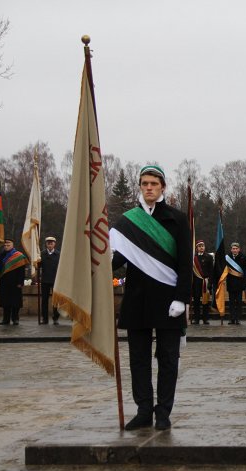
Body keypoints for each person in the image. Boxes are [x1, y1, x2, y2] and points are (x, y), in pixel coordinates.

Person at [109, 165, 191, 431]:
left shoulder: (177, 219)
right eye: (144, 184)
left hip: (168, 300)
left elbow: (184, 263)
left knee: (168, 359)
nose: (149, 188)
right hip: (137, 298)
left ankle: (163, 412)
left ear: (163, 187)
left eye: (154, 184)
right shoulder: (128, 221)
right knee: (139, 359)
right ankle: (144, 410)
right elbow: (118, 259)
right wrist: (100, 259)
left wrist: (182, 299)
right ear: (140, 187)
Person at [0, 238, 28, 325]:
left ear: (13, 245)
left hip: (15, 283)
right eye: (5, 245)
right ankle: (5, 319)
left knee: (15, 302)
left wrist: (20, 282)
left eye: (8, 245)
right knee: (5, 302)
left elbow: (22, 271)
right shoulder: (0, 255)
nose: (6, 246)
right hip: (4, 282)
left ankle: (15, 319)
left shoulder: (19, 256)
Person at [225, 242, 246, 325]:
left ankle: (238, 318)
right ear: (231, 249)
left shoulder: (243, 257)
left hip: (240, 284)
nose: (234, 250)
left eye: (236, 248)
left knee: (238, 302)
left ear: (239, 249)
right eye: (233, 249)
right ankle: (232, 318)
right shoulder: (227, 258)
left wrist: (244, 283)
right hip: (231, 283)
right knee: (231, 302)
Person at [39, 236, 61, 325]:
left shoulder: (59, 254)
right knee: (44, 300)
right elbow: (38, 266)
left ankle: (55, 317)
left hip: (56, 280)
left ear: (54, 244)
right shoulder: (41, 254)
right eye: (48, 243)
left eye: (52, 243)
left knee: (56, 301)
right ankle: (45, 318)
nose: (50, 245)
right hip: (45, 280)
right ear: (46, 244)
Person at [191, 239, 213, 325]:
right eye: (199, 246)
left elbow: (211, 271)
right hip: (196, 281)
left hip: (205, 281)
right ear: (196, 248)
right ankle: (196, 319)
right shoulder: (193, 258)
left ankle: (205, 319)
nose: (201, 248)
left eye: (202, 246)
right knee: (196, 301)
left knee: (205, 301)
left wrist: (210, 282)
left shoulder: (209, 257)